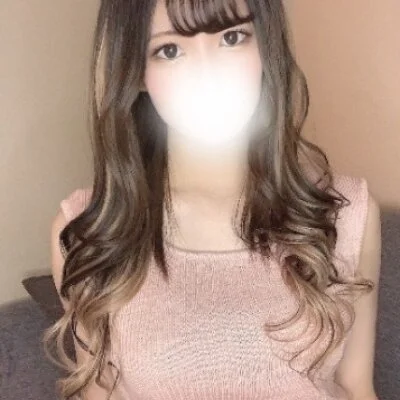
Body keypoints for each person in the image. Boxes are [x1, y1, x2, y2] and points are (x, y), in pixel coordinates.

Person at [44, 0, 382, 399]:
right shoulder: (89, 234)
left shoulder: (345, 212)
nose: (208, 75)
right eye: (170, 50)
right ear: (136, 72)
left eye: (232, 37)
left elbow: (355, 387)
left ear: (266, 47)